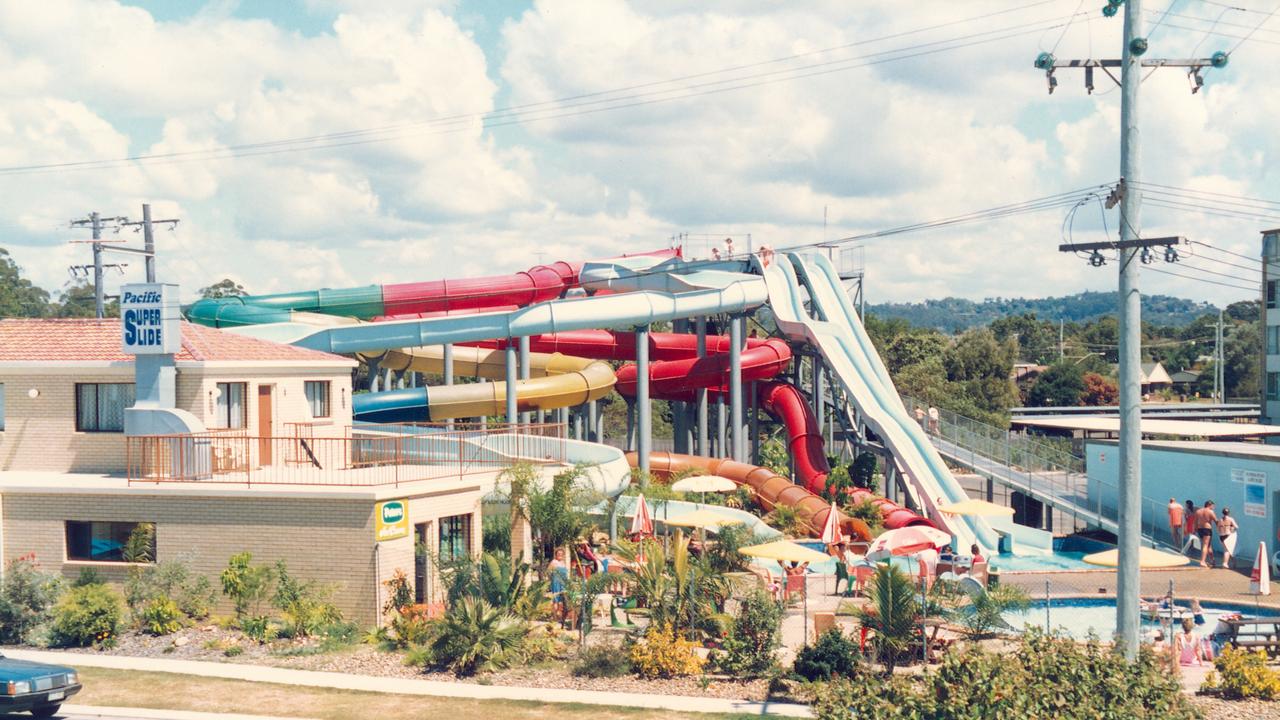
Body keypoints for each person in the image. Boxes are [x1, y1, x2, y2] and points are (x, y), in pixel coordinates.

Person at [1194, 500, 1219, 568]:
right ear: (1209, 505)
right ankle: (1202, 561)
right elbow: (1216, 521)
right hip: (1207, 529)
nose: (1213, 507)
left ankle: (1212, 560)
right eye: (1213, 506)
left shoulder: (1198, 511)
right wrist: (1221, 528)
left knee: (1208, 545)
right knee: (1205, 545)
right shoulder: (1210, 511)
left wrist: (1195, 530)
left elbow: (1195, 521)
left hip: (1200, 529)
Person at [547, 548, 570, 620]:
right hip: (556, 583)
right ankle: (554, 617)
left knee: (562, 600)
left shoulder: (563, 562)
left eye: (561, 554)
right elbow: (548, 572)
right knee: (556, 600)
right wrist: (552, 579)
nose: (560, 555)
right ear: (556, 554)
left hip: (563, 583)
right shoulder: (553, 562)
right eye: (558, 554)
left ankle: (560, 616)